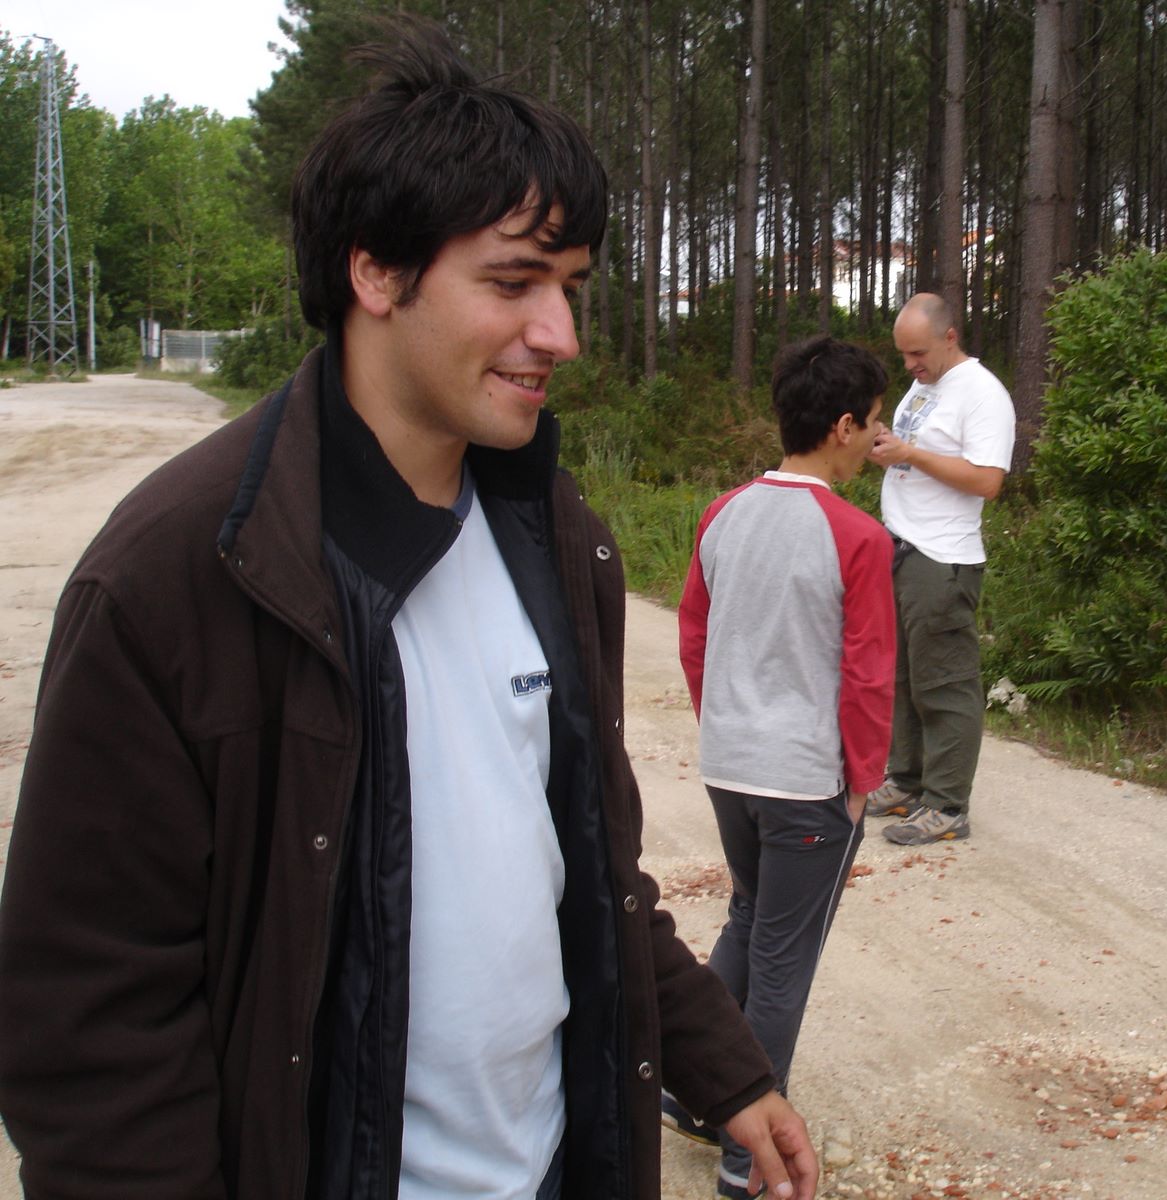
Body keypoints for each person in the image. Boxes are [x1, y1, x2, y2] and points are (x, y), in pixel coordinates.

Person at [0, 21, 815, 1200]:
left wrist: (724, 1066)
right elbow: (90, 1021)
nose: (561, 335)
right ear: (375, 272)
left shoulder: (555, 534)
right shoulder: (177, 574)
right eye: (513, 282)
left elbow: (592, 870)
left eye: (571, 286)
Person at [669, 337, 894, 1199]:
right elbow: (869, 671)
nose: (874, 440)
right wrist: (863, 780)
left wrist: (723, 727)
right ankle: (747, 1160)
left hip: (730, 766)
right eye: (872, 425)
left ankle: (694, 1095)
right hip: (806, 781)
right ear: (842, 426)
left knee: (750, 918)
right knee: (783, 961)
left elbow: (695, 634)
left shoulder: (723, 512)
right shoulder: (858, 536)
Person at [864, 293, 1016, 845]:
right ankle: (907, 782)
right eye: (903, 354)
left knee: (945, 684)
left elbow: (988, 481)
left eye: (918, 353)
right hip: (901, 549)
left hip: (942, 558)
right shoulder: (926, 385)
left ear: (950, 337)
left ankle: (947, 805)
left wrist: (909, 455)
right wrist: (887, 445)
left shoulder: (982, 393)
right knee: (904, 678)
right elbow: (916, 449)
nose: (910, 364)